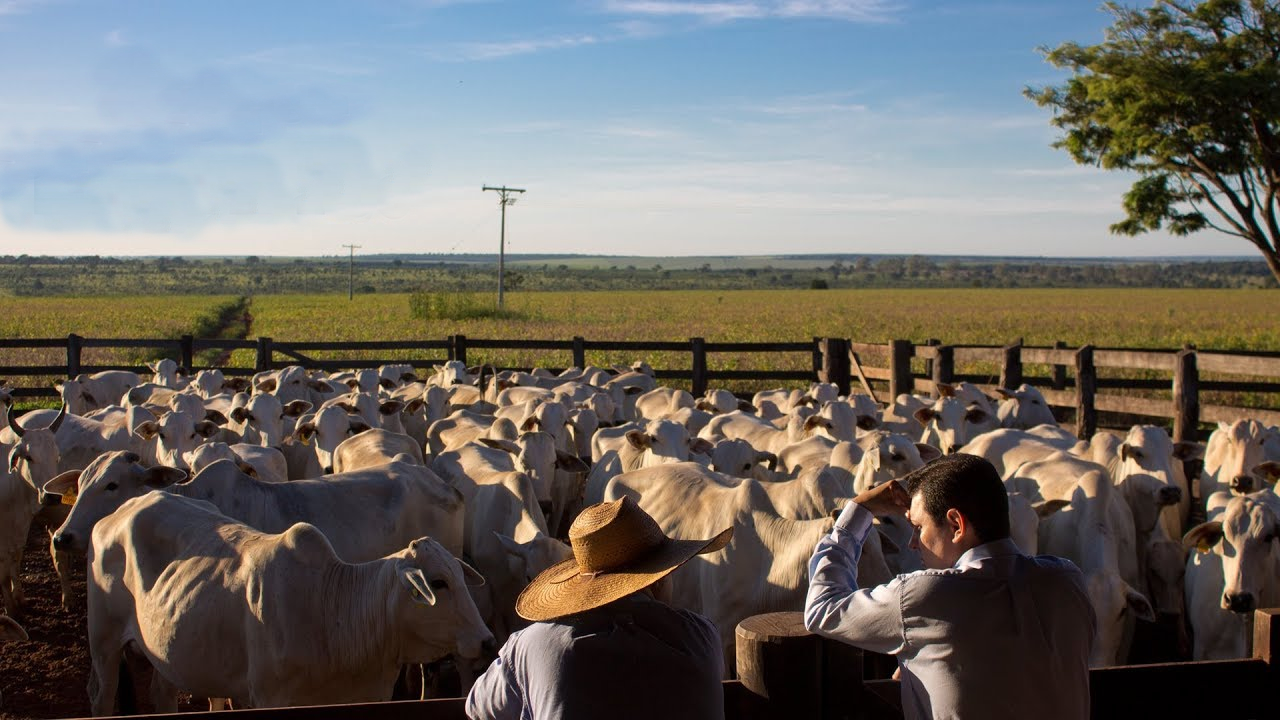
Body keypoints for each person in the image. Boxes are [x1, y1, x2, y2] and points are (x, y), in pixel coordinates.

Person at [804, 453, 1095, 720]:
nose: (912, 542)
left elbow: (821, 608)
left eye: (918, 527)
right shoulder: (1068, 581)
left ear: (956, 524)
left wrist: (859, 509)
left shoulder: (923, 596)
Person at [466, 496, 732, 720]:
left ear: (579, 585)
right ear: (660, 577)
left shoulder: (531, 644)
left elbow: (477, 708)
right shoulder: (702, 636)